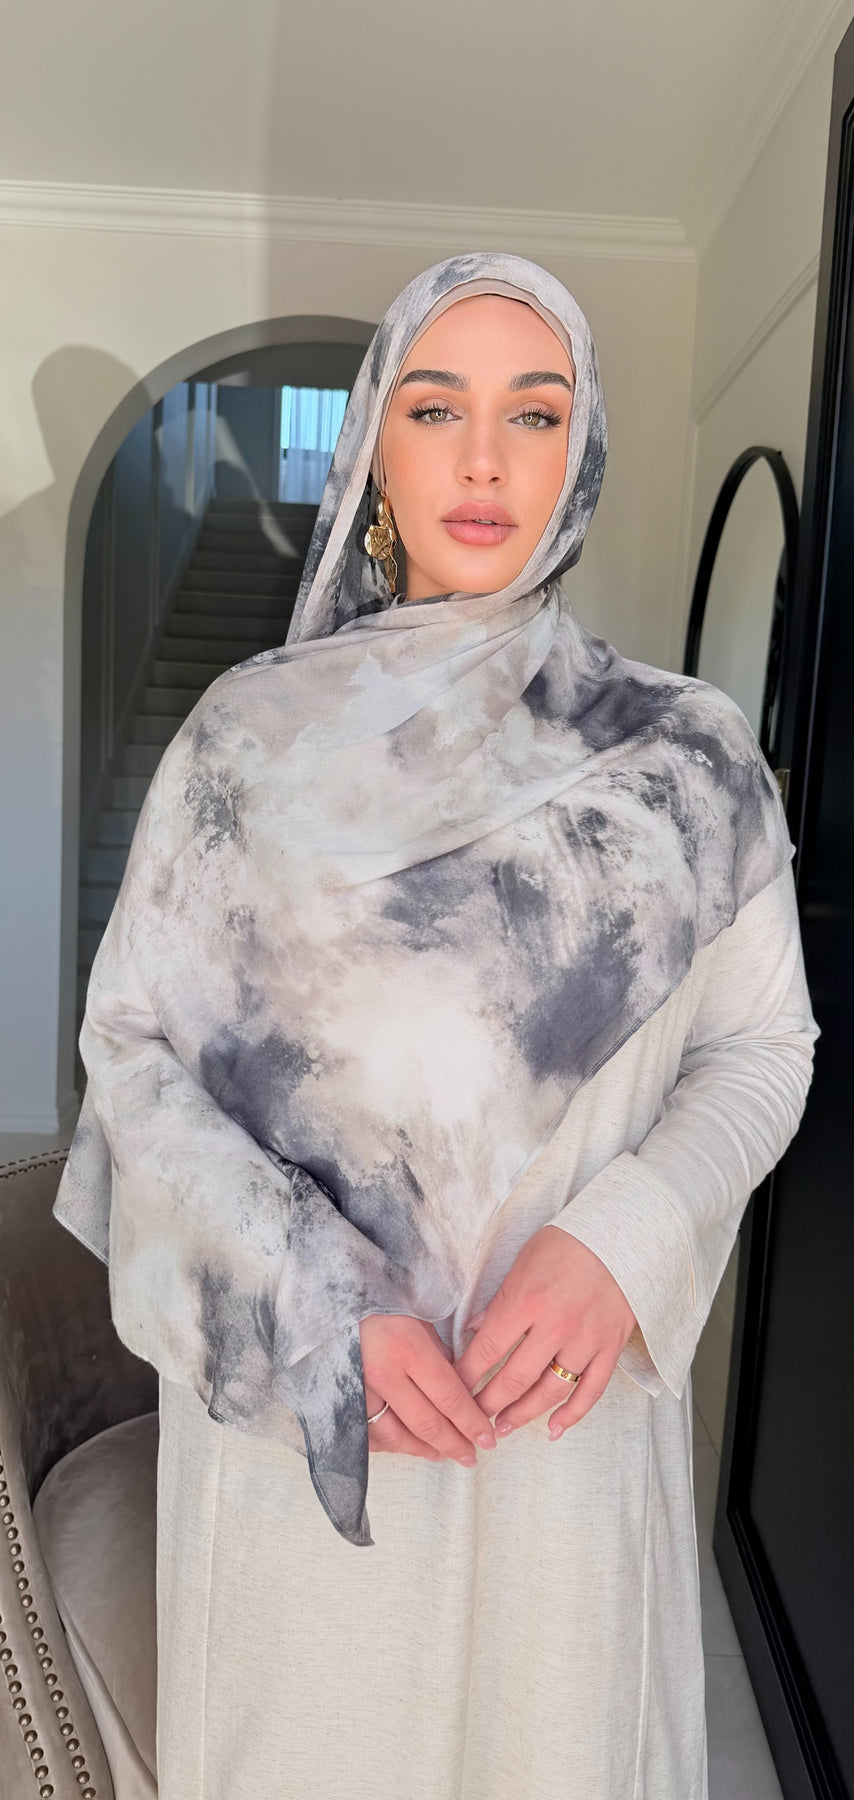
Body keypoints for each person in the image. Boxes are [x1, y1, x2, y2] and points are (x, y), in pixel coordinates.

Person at [55, 252, 820, 1800]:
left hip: (555, 1425)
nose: (482, 458)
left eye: (532, 413)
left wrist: (624, 1236)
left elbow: (763, 1047)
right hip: (310, 1419)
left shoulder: (686, 757)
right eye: (433, 408)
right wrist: (312, 1285)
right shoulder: (241, 743)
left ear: (579, 452)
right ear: (374, 459)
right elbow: (131, 1053)